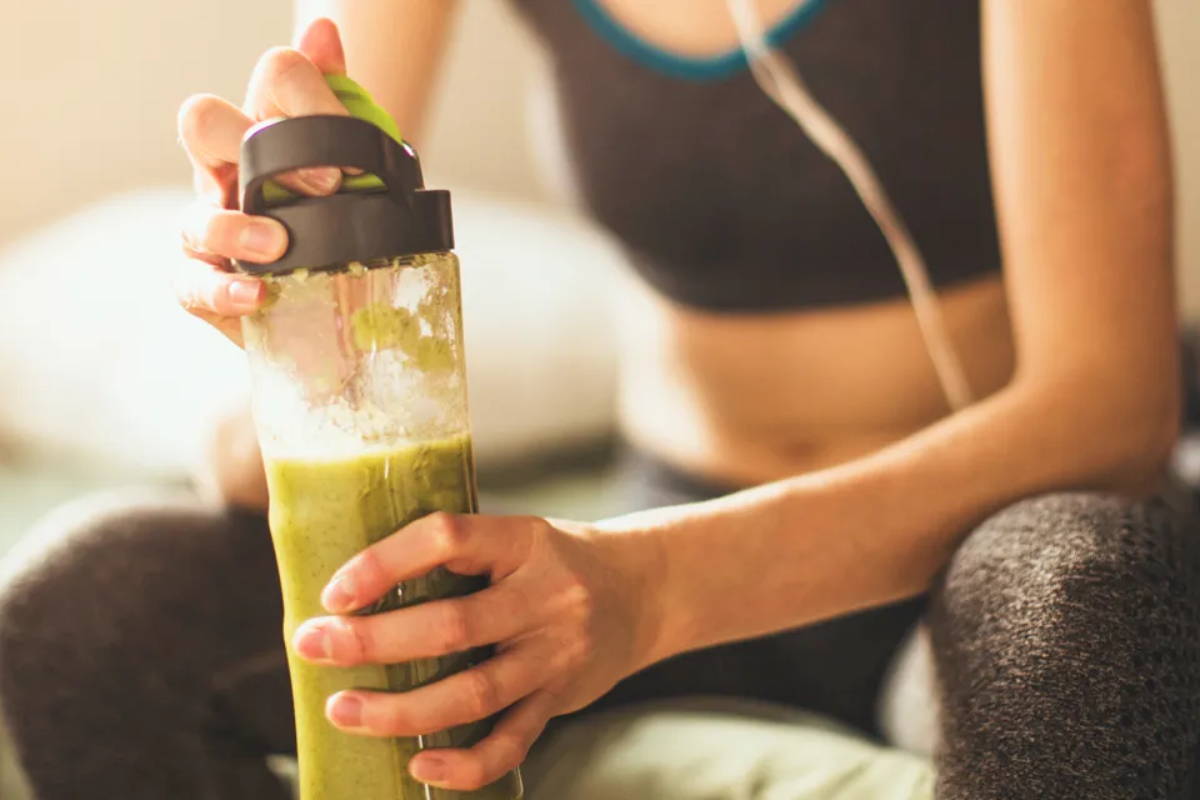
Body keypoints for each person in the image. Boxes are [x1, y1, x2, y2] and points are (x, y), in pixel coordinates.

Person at [2, 1, 1198, 798]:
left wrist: (652, 588)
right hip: (645, 523)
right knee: (92, 612)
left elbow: (1111, 408)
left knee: (1079, 597)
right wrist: (279, 314)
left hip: (955, 550)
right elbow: (301, 187)